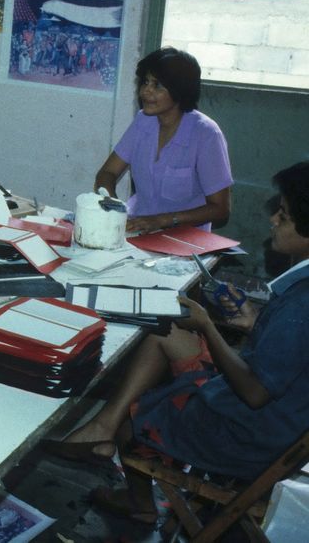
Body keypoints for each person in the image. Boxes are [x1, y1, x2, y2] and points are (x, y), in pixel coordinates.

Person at [43, 161, 309, 524]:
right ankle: (103, 431)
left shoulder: (304, 303)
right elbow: (291, 353)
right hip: (271, 415)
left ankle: (137, 495)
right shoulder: (300, 288)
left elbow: (255, 392)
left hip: (246, 434)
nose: (273, 220)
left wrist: (209, 327)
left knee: (137, 411)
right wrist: (252, 318)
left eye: (286, 215)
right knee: (164, 331)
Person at [94, 47, 233, 233]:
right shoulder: (143, 121)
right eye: (145, 82)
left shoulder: (206, 133)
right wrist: (113, 208)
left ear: (180, 90)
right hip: (139, 229)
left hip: (185, 239)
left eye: (157, 85)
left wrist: (163, 220)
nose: (146, 91)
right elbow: (107, 173)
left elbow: (220, 209)